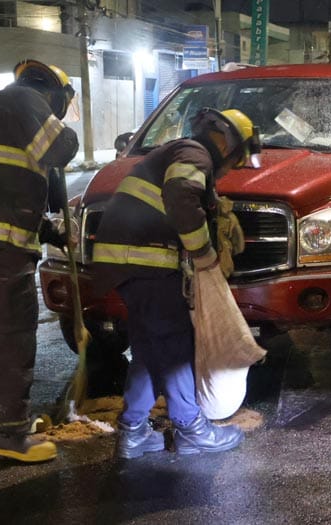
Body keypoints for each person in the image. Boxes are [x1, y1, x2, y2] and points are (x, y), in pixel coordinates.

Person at [92, 107, 261, 459]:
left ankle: (133, 432)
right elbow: (183, 197)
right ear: (227, 144)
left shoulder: (177, 152)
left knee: (150, 350)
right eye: (236, 160)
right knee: (175, 347)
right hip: (145, 262)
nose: (231, 169)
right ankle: (192, 429)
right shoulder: (195, 154)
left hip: (128, 263)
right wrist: (204, 254)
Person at [0, 59, 79, 462]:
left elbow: (4, 189)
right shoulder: (23, 100)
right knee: (10, 338)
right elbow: (64, 147)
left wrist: (50, 229)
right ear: (54, 94)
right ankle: (6, 436)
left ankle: (6, 423)